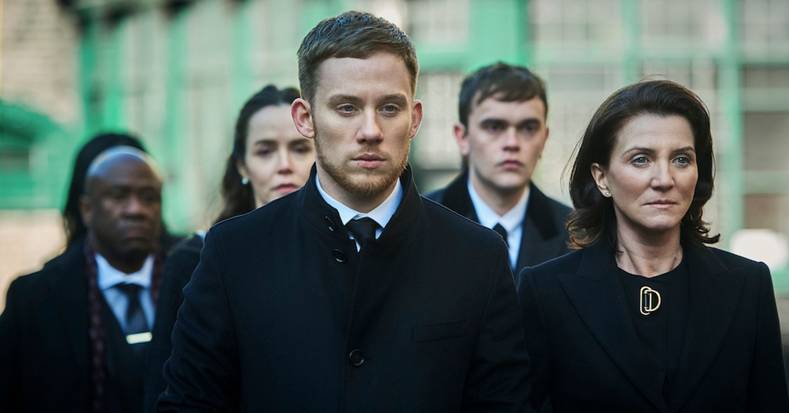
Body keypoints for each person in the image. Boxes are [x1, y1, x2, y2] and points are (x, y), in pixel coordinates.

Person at [158, 10, 529, 412]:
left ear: (415, 118)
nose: (370, 131)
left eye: (389, 108)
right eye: (347, 108)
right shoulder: (234, 252)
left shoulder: (477, 256)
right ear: (305, 118)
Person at [518, 80, 789, 412]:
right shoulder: (545, 291)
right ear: (602, 177)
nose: (664, 179)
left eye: (681, 159)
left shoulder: (747, 285)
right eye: (641, 160)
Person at [143, 84, 313, 410]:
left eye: (300, 148)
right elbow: (167, 391)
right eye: (265, 151)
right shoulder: (195, 260)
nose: (284, 164)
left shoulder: (344, 250)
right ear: (242, 166)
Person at [1, 146, 178, 413]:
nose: (135, 210)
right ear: (86, 209)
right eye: (118, 196)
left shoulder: (195, 281)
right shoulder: (34, 298)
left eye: (149, 197)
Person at [428, 62, 571, 277]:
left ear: (544, 139)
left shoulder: (576, 236)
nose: (512, 143)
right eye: (494, 127)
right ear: (462, 137)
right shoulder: (420, 225)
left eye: (528, 128)